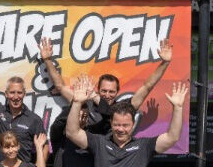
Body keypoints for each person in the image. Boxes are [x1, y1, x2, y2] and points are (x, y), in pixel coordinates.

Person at [40, 36, 173, 133]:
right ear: (97, 89)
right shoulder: (85, 102)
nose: (107, 95)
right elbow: (61, 87)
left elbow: (147, 86)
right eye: (104, 91)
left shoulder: (125, 107)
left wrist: (165, 63)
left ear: (117, 92)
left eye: (111, 92)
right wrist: (47, 60)